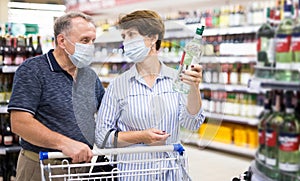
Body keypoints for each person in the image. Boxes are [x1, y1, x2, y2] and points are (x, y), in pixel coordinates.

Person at [95, 10, 205, 180]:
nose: (125, 43)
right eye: (124, 36)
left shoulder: (177, 79)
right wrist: (141, 136)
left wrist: (194, 88)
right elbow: (102, 137)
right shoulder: (118, 86)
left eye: (131, 35)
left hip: (172, 173)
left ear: (153, 38)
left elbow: (192, 124)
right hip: (134, 173)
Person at [8, 11, 105, 180]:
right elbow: (20, 123)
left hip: (82, 169)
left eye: (93, 41)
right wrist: (65, 144)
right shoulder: (33, 70)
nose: (90, 46)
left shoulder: (89, 76)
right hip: (43, 167)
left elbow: (107, 114)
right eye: (85, 40)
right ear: (62, 41)